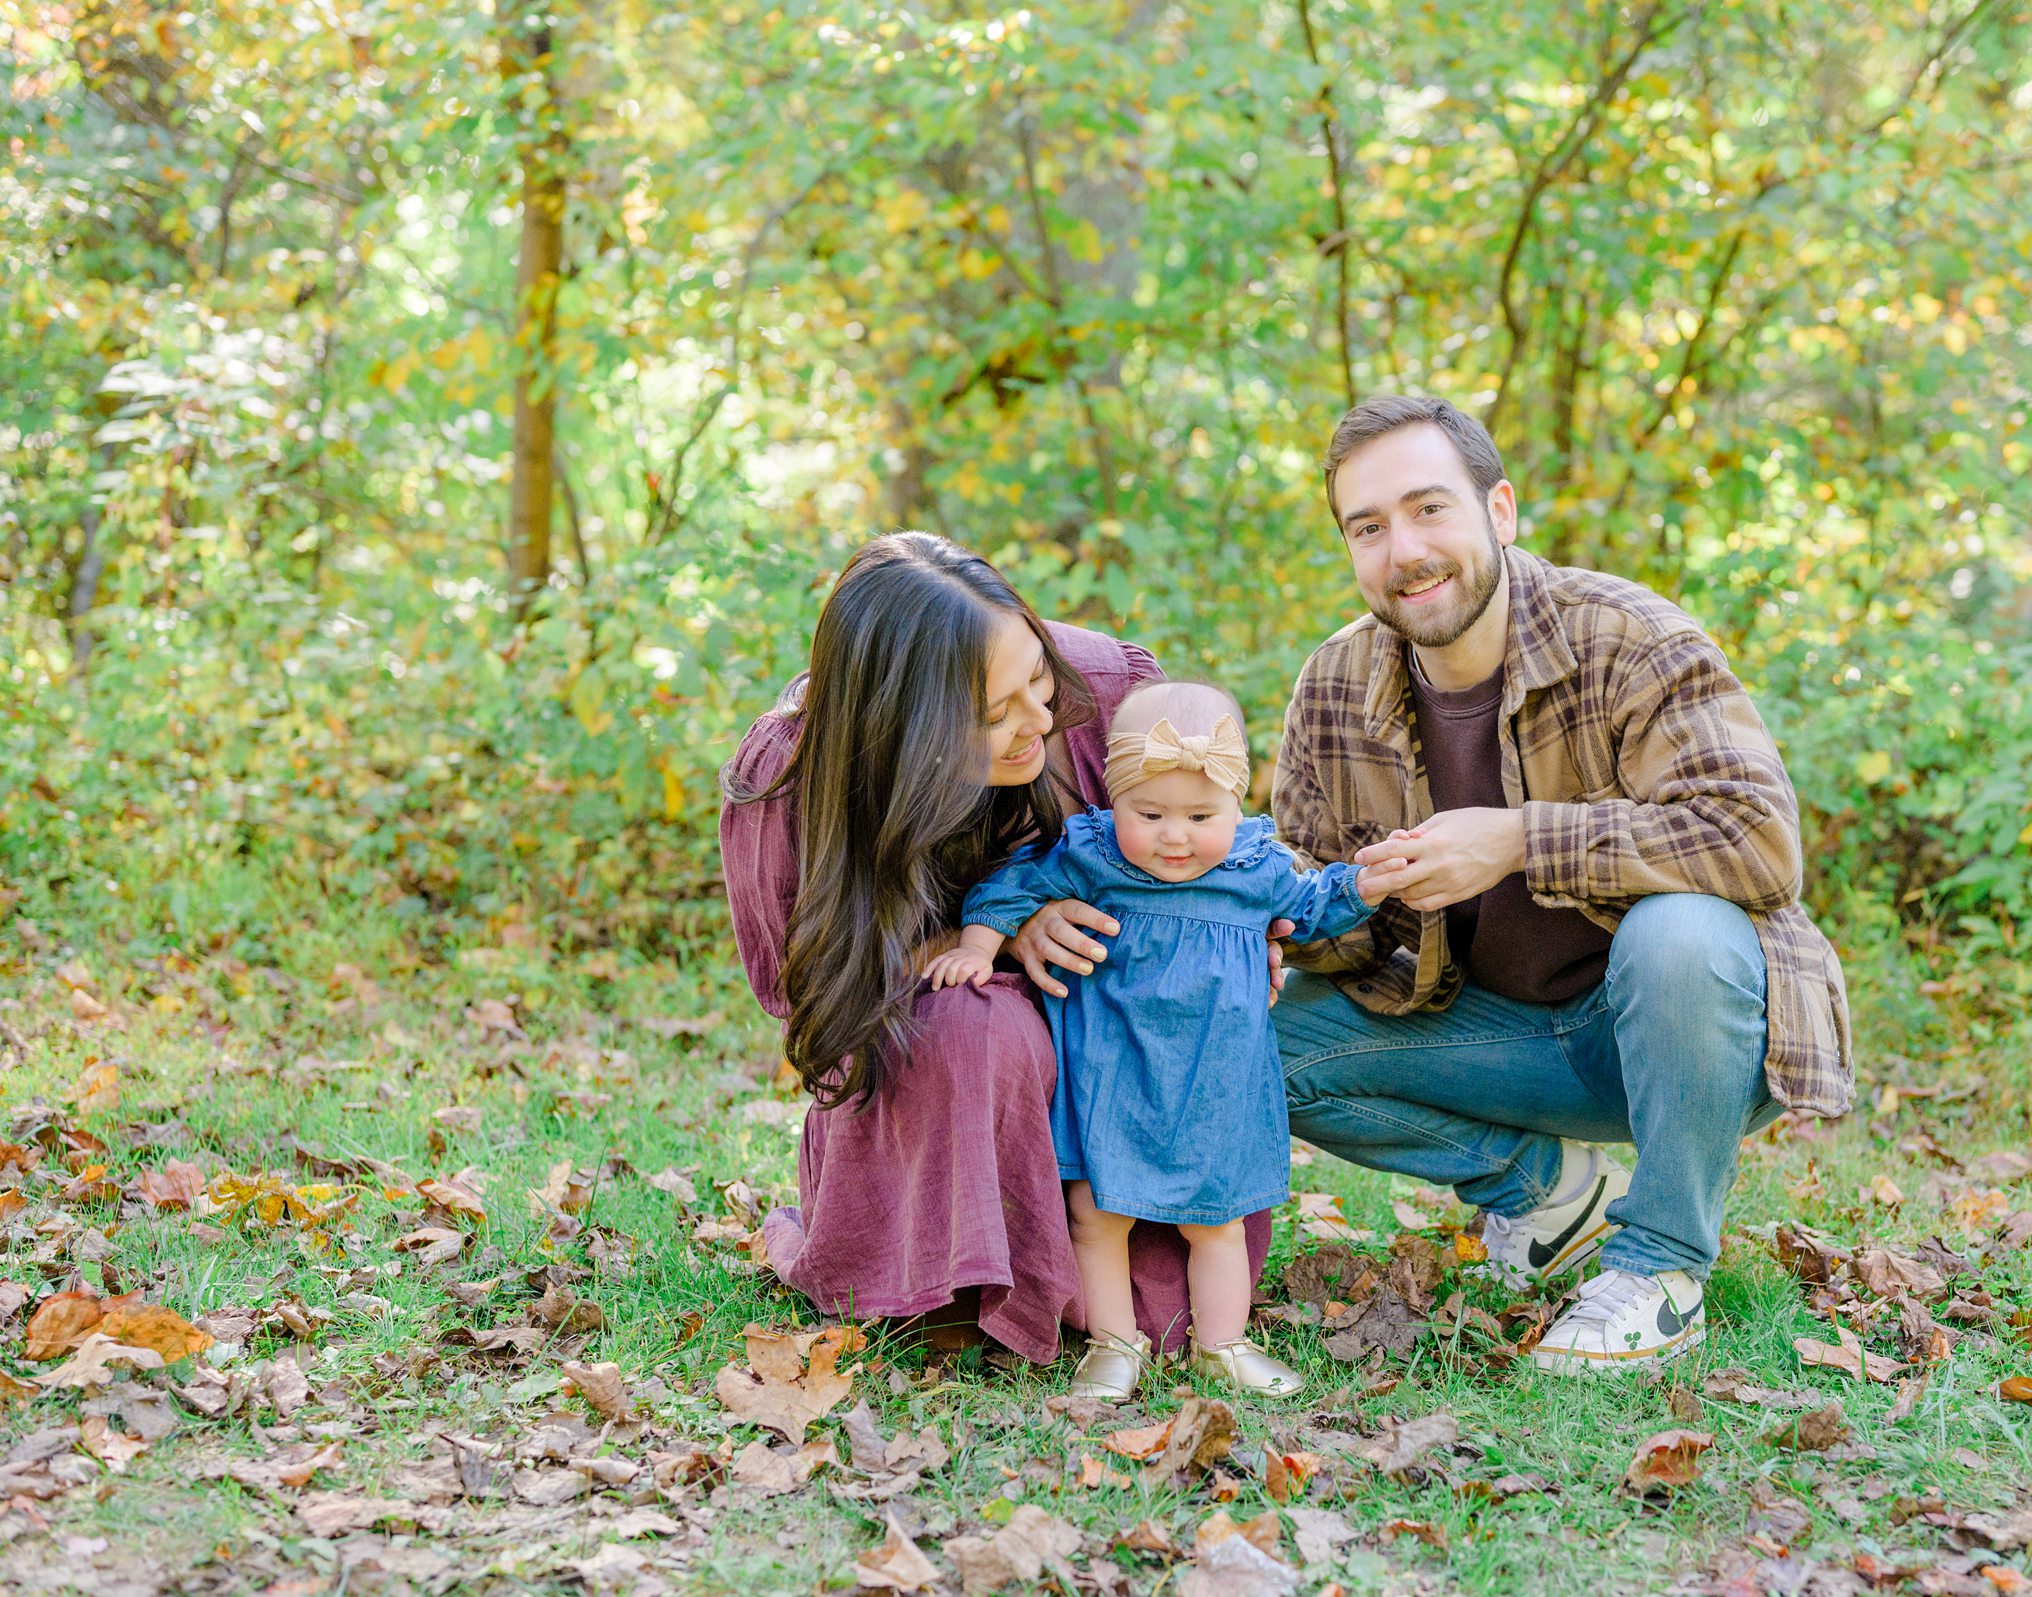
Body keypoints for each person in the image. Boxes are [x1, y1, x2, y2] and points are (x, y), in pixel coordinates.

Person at [1271, 396, 1854, 1370]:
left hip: (1687, 1035)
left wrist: (1517, 841)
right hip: (1494, 1038)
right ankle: (1547, 1194)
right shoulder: (1334, 684)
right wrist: (1321, 900)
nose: (1402, 549)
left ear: (1499, 510)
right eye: (1366, 528)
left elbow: (1757, 840)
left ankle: (1663, 1265)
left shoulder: (1628, 636)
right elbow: (1311, 907)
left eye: (1428, 510)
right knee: (1251, 1018)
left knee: (1681, 932)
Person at [718, 532, 1278, 1364]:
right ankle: (969, 1271)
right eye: (994, 715)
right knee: (978, 1022)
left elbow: (1201, 836)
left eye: (1038, 679)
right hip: (943, 1064)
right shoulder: (796, 777)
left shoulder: (1112, 696)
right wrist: (1002, 935)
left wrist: (1245, 928)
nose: (1042, 721)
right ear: (903, 732)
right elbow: (808, 986)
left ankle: (1128, 1270)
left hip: (1121, 1045)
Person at [929, 682, 1393, 1399]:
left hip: (1215, 1079)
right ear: (1115, 804)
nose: (1175, 837)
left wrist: (1371, 881)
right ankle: (1114, 1344)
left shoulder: (1253, 867)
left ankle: (1224, 1342)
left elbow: (1315, 905)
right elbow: (1011, 887)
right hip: (1112, 1069)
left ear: (1238, 807)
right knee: (1097, 1212)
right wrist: (977, 944)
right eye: (1150, 814)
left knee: (1217, 1222)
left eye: (1201, 815)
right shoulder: (1094, 855)